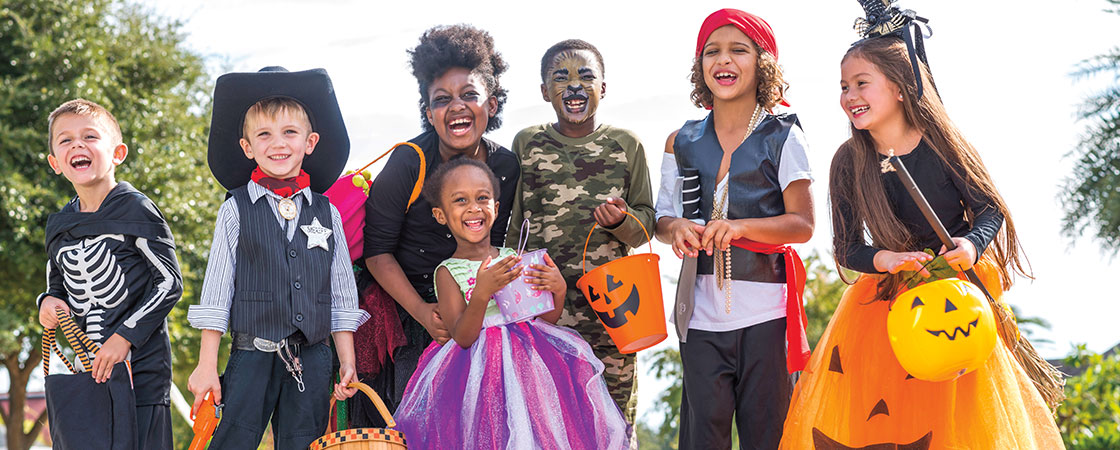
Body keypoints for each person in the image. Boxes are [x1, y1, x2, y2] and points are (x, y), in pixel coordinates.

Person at [778, 3, 1062, 448]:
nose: (850, 95)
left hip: (956, 298)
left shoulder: (943, 145)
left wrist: (971, 244)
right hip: (887, 304)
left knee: (960, 421)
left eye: (861, 83)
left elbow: (989, 208)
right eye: (844, 86)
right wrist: (884, 258)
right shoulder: (848, 162)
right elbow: (847, 248)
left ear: (898, 87)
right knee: (886, 424)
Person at [653, 9, 814, 449]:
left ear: (762, 63)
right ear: (700, 65)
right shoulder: (680, 140)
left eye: (738, 50)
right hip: (699, 315)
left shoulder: (783, 136)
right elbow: (661, 219)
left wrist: (740, 226)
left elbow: (803, 224)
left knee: (769, 437)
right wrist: (678, 228)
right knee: (701, 437)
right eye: (712, 51)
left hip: (767, 313)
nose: (723, 60)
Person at [186, 67, 370, 449]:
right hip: (252, 355)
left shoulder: (327, 211)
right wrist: (206, 365)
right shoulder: (236, 209)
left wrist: (346, 358)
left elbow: (340, 292)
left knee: (306, 444)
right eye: (264, 134)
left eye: (290, 132)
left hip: (314, 360)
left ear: (310, 141)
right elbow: (218, 290)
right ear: (247, 147)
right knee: (231, 441)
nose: (278, 144)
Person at [393, 158, 630, 449]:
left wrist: (558, 289)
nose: (473, 207)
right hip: (476, 381)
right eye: (460, 200)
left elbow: (543, 322)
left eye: (482, 198)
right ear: (440, 215)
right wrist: (481, 293)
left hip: (530, 374)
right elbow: (463, 337)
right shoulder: (447, 271)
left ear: (495, 205)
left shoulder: (514, 257)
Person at [357, 24, 520, 425]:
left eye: (470, 95)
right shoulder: (408, 163)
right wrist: (423, 312)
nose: (457, 106)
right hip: (413, 313)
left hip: (479, 312)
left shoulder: (504, 166)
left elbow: (492, 244)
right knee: (420, 424)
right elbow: (377, 252)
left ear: (492, 104)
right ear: (429, 113)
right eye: (442, 100)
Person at [505, 39, 655, 426]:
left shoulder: (626, 145)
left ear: (603, 87)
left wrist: (620, 221)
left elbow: (645, 227)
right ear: (544, 91)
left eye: (586, 76)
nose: (574, 86)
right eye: (561, 77)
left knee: (613, 425)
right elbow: (513, 230)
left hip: (614, 316)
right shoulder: (527, 143)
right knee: (549, 424)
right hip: (543, 318)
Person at [38, 98, 183, 449]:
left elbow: (169, 283)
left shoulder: (136, 208)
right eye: (65, 139)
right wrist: (48, 301)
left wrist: (124, 338)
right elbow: (56, 283)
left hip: (142, 376)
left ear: (117, 152)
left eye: (90, 136)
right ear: (56, 163)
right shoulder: (60, 224)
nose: (77, 145)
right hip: (89, 377)